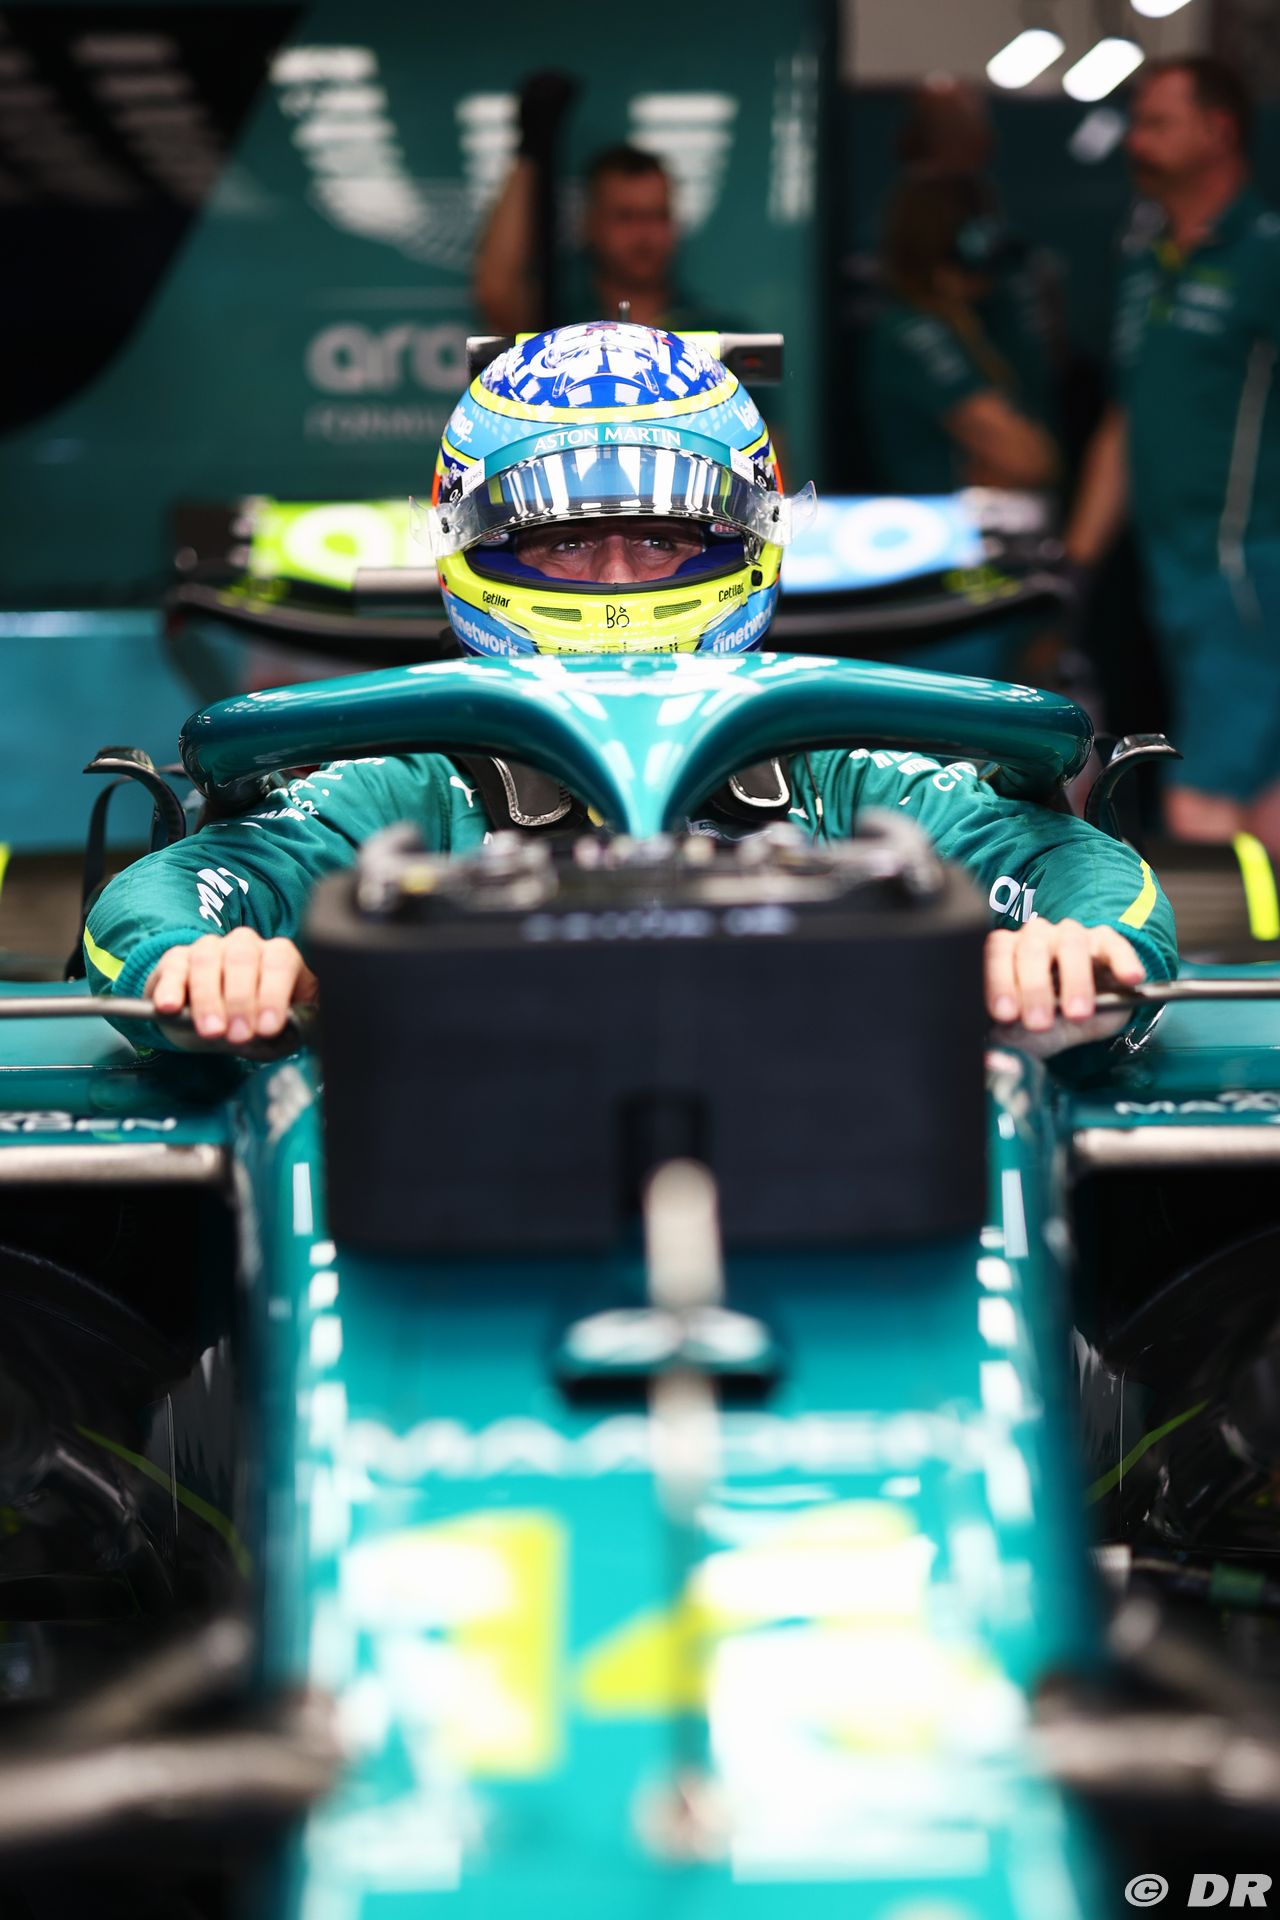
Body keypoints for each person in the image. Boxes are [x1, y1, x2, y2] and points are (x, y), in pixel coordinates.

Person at [82, 321, 1174, 1047]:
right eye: (562, 543)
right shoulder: (409, 777)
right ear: (468, 545)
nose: (614, 580)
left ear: (749, 537)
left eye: (661, 540)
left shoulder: (833, 763)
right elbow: (156, 902)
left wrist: (1074, 949)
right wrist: (202, 967)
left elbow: (1081, 874)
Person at [1066, 56, 1280, 852]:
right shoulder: (1144, 262)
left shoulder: (1265, 256)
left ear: (1218, 130)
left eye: (1158, 123)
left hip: (1246, 571)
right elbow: (1122, 424)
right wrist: (1073, 568)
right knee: (1263, 799)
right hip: (1169, 573)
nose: (1136, 141)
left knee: (1202, 809)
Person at [861, 170, 1063, 679]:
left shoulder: (986, 323)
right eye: (972, 232)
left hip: (1006, 575)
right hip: (944, 587)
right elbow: (1030, 459)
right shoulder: (911, 331)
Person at [475, 116, 713, 336]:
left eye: (658, 216)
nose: (644, 234)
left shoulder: (711, 331)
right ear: (590, 223)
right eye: (626, 217)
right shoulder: (553, 323)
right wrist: (530, 152)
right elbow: (498, 293)